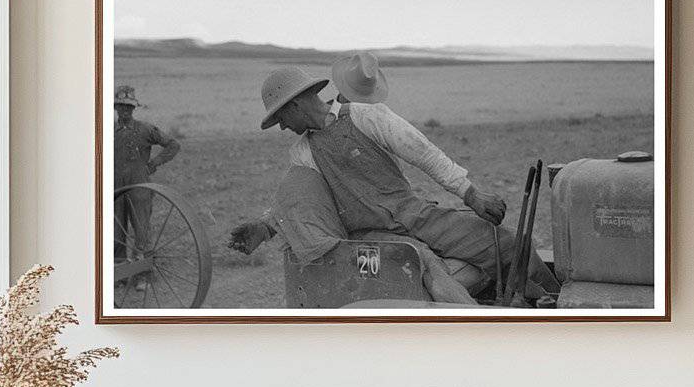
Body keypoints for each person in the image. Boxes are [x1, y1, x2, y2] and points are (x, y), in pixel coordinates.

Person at [230, 66, 559, 297]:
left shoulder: (367, 116)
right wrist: (265, 227)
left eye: (281, 117)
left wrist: (470, 194)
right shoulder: (303, 153)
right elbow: (299, 202)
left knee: (506, 244)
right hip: (370, 234)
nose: (283, 127)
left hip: (413, 214)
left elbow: (423, 153)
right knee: (423, 267)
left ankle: (554, 307)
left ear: (296, 105)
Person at [113, 85, 180, 294]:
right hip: (115, 189)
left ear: (134, 109)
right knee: (116, 231)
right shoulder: (108, 132)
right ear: (116, 108)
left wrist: (154, 163)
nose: (124, 111)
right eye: (121, 107)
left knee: (141, 231)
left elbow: (172, 145)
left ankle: (144, 275)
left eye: (128, 107)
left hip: (140, 188)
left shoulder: (145, 129)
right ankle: (120, 274)